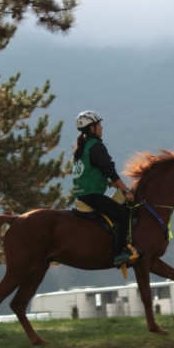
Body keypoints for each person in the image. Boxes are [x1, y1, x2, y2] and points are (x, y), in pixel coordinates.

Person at [72, 111, 135, 265]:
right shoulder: (96, 146)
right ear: (92, 128)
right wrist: (126, 190)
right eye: (99, 124)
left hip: (83, 194)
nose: (102, 127)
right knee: (123, 214)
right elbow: (109, 170)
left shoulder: (82, 147)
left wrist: (109, 184)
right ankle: (120, 253)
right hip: (92, 196)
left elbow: (88, 174)